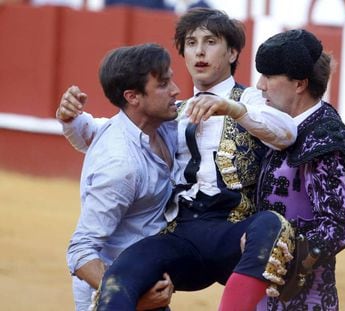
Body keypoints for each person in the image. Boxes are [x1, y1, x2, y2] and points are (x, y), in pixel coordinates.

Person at [58, 8, 298, 311]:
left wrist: (231, 109)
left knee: (269, 227)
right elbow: (111, 133)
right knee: (124, 270)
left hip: (231, 233)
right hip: (181, 235)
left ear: (233, 52)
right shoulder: (175, 111)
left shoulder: (248, 101)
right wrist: (72, 120)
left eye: (210, 42)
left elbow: (287, 132)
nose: (199, 51)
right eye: (191, 42)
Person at [249, 29, 345, 310]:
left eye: (269, 76)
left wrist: (289, 255)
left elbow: (336, 226)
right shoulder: (277, 127)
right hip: (263, 288)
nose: (260, 85)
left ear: (299, 84)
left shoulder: (326, 140)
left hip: (305, 296)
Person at [61, 43, 179, 311]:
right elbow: (80, 252)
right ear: (133, 97)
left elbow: (91, 129)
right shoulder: (121, 165)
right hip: (115, 295)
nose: (175, 90)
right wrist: (131, 298)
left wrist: (71, 121)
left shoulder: (161, 126)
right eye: (163, 84)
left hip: (144, 282)